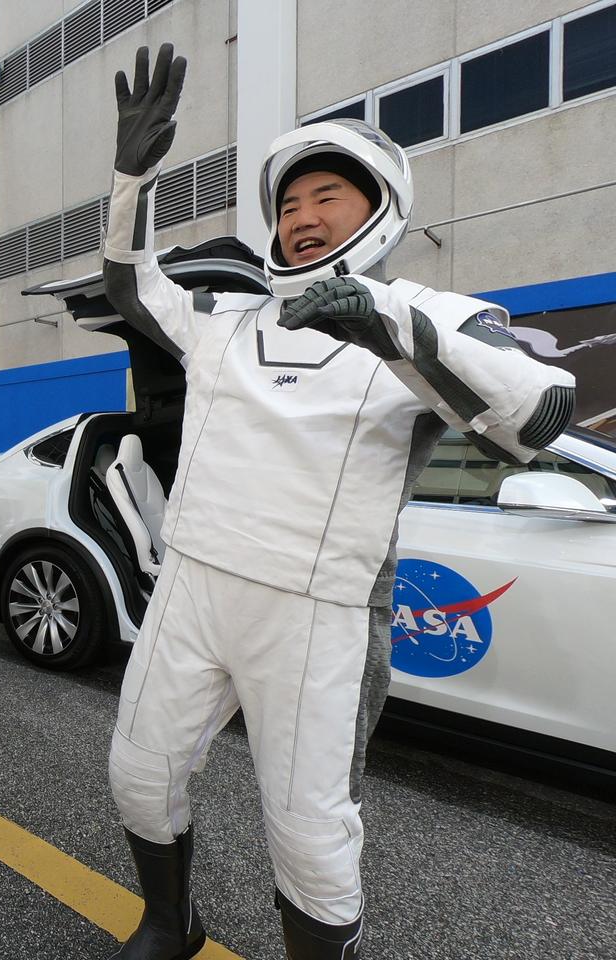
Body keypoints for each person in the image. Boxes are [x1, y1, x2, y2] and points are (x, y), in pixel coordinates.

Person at [99, 45, 576, 960]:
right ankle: (171, 921)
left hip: (319, 615)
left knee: (309, 837)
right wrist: (131, 178)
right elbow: (132, 284)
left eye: (327, 198)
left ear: (380, 211)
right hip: (192, 583)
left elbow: (540, 415)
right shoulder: (225, 318)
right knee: (138, 778)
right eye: (288, 204)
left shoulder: (436, 315)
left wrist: (386, 321)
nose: (303, 219)